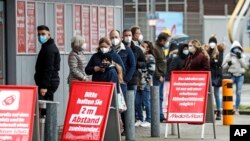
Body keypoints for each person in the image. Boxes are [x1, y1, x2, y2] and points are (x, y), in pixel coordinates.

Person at [110, 29, 136, 135]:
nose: (114, 39)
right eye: (112, 37)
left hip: (122, 82)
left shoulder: (127, 50)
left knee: (123, 105)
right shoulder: (108, 50)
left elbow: (133, 65)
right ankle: (113, 128)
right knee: (112, 106)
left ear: (120, 38)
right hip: (111, 81)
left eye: (116, 37)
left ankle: (126, 128)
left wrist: (126, 79)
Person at [34, 25, 60, 117]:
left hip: (48, 83)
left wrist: (44, 86)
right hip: (46, 82)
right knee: (44, 107)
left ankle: (48, 129)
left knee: (45, 109)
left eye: (43, 34)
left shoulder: (50, 49)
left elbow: (49, 68)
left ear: (49, 35)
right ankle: (47, 128)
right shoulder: (46, 47)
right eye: (39, 34)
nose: (40, 36)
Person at [222, 41, 248, 115]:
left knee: (238, 93)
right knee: (229, 92)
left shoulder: (243, 55)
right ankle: (229, 108)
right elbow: (223, 67)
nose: (236, 49)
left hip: (240, 76)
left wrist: (240, 58)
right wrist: (229, 63)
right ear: (232, 48)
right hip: (232, 76)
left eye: (238, 48)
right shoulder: (229, 56)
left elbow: (245, 66)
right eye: (235, 48)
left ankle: (237, 109)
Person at [129, 26, 147, 127]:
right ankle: (135, 118)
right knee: (134, 100)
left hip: (138, 76)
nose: (139, 35)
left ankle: (138, 118)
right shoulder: (130, 46)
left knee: (137, 99)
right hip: (132, 77)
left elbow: (143, 62)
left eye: (140, 33)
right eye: (137, 33)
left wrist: (136, 64)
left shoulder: (139, 46)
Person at [135, 41, 155, 127]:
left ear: (148, 48)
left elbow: (151, 70)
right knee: (137, 102)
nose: (141, 47)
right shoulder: (139, 56)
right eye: (141, 45)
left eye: (144, 46)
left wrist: (148, 80)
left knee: (146, 102)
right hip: (137, 82)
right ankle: (140, 118)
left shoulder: (150, 57)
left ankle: (149, 119)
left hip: (145, 83)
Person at [206, 36, 224, 120]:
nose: (212, 44)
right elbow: (207, 61)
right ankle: (210, 111)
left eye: (213, 42)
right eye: (210, 42)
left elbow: (220, 62)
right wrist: (214, 61)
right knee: (209, 94)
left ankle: (219, 112)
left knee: (216, 94)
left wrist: (212, 61)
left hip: (216, 75)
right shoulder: (207, 50)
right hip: (209, 74)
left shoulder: (220, 50)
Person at [153, 32, 170, 122]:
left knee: (160, 96)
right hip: (158, 77)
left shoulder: (160, 48)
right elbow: (153, 64)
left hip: (161, 75)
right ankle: (158, 115)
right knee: (157, 96)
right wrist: (158, 75)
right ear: (162, 40)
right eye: (166, 41)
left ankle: (160, 115)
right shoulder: (155, 48)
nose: (167, 43)